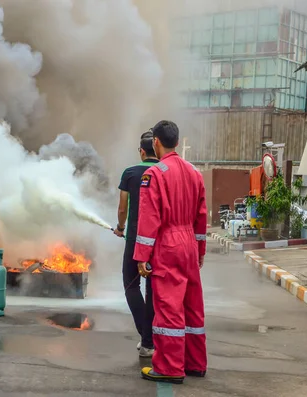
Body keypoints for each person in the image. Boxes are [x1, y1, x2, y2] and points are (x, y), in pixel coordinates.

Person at [134, 120, 208, 384]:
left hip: (168, 245)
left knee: (168, 307)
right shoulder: (194, 173)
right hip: (188, 242)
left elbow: (149, 219)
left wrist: (142, 256)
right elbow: (201, 217)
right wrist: (199, 250)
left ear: (156, 142)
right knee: (192, 305)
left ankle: (169, 367)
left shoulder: (154, 174)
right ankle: (195, 363)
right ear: (177, 141)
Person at [114, 131, 158, 358]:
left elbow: (123, 207)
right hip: (158, 242)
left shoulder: (130, 173)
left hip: (134, 239)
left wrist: (120, 228)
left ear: (141, 151)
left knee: (131, 286)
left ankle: (147, 338)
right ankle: (151, 339)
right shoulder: (163, 172)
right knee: (152, 290)